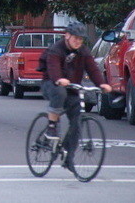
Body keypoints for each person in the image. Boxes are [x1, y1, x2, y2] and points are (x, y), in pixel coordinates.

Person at [39, 21, 112, 172]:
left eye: (80, 39)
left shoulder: (84, 52)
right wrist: (59, 79)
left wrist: (102, 84)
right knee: (59, 92)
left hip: (72, 88)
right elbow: (53, 69)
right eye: (75, 38)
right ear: (67, 35)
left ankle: (68, 157)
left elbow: (93, 69)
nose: (78, 41)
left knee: (77, 123)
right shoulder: (56, 49)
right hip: (51, 84)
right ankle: (52, 127)